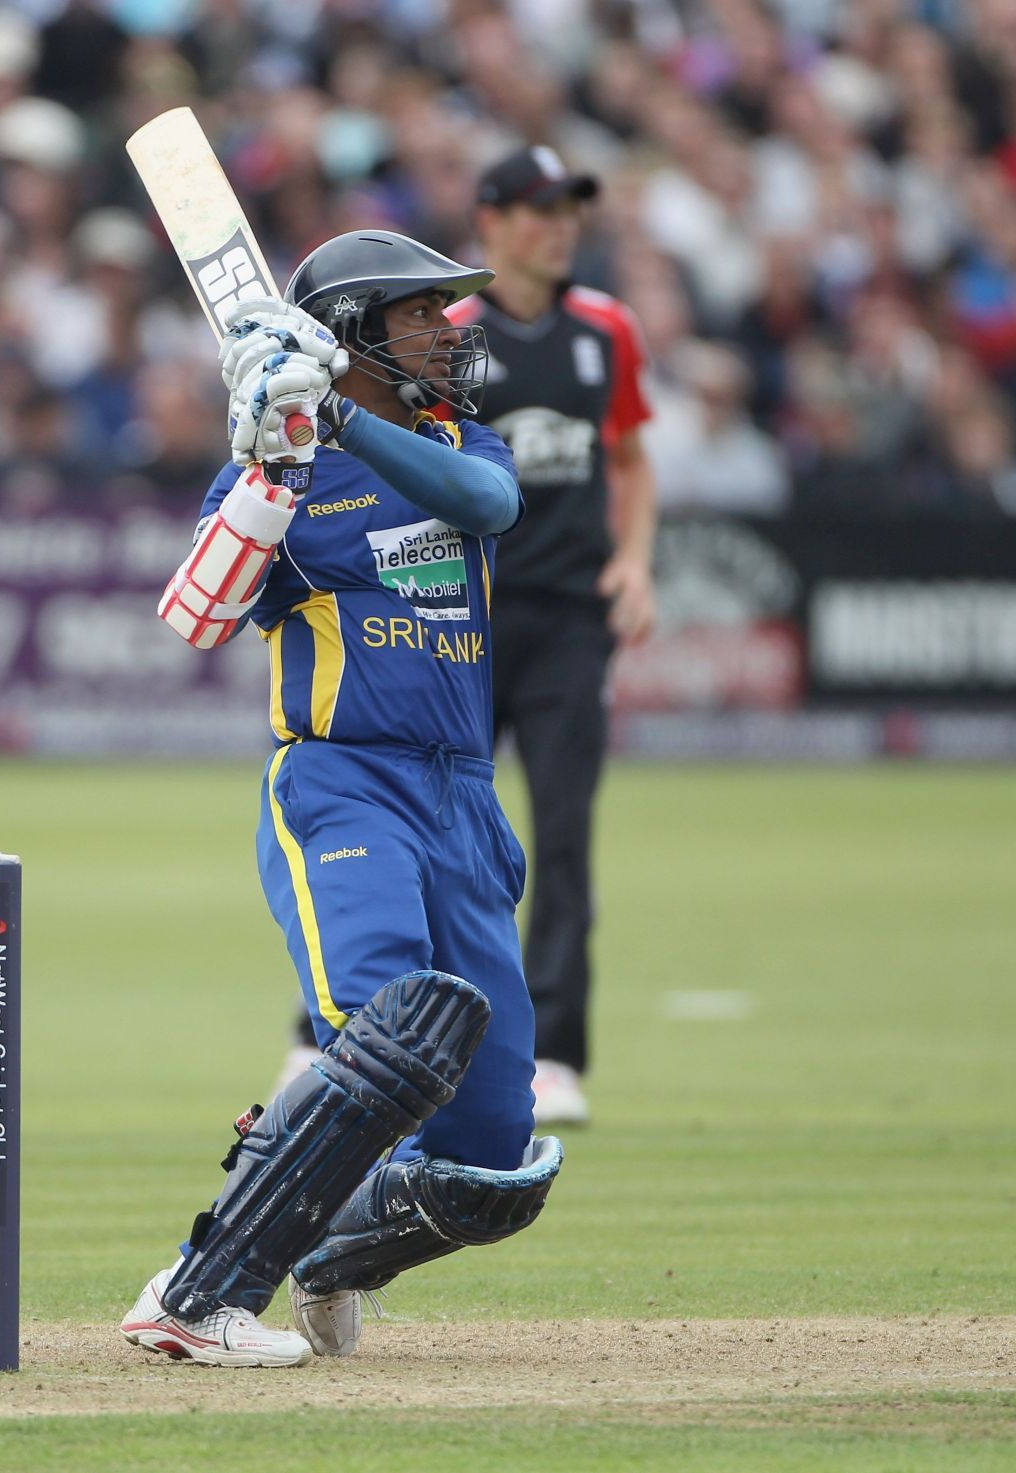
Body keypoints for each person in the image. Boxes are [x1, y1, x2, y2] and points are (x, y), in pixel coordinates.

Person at [121, 232, 564, 1368]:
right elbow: (196, 617)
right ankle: (197, 1288)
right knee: (387, 1034)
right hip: (342, 776)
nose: (447, 334)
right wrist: (274, 468)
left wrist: (343, 419)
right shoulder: (283, 464)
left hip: (463, 796)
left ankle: (324, 1262)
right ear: (358, 328)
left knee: (493, 1159)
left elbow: (492, 503)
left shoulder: (455, 442)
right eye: (420, 314)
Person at [447, 147, 658, 1126]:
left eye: (569, 205)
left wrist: (636, 561)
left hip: (572, 620)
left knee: (564, 837)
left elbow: (629, 457)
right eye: (538, 208)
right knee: (433, 831)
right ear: (490, 221)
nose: (558, 223)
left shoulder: (604, 327)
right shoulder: (447, 330)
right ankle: (352, 1034)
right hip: (466, 621)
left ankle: (557, 1056)